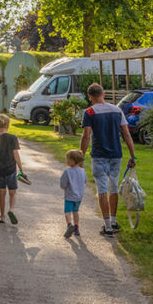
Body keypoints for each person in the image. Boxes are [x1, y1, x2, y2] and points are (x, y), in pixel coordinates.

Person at [80, 83, 136, 236]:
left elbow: (86, 136)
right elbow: (126, 134)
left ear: (90, 97)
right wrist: (132, 155)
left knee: (102, 189)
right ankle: (114, 221)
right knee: (113, 188)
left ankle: (107, 226)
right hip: (116, 155)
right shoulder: (117, 110)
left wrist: (81, 155)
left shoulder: (90, 112)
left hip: (99, 155)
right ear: (103, 94)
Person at [60, 149, 87, 238]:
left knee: (67, 212)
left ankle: (69, 225)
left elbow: (63, 184)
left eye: (67, 159)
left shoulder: (67, 172)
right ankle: (76, 228)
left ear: (72, 161)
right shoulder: (83, 171)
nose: (66, 160)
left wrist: (65, 187)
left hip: (69, 196)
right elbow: (85, 181)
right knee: (75, 211)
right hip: (79, 197)